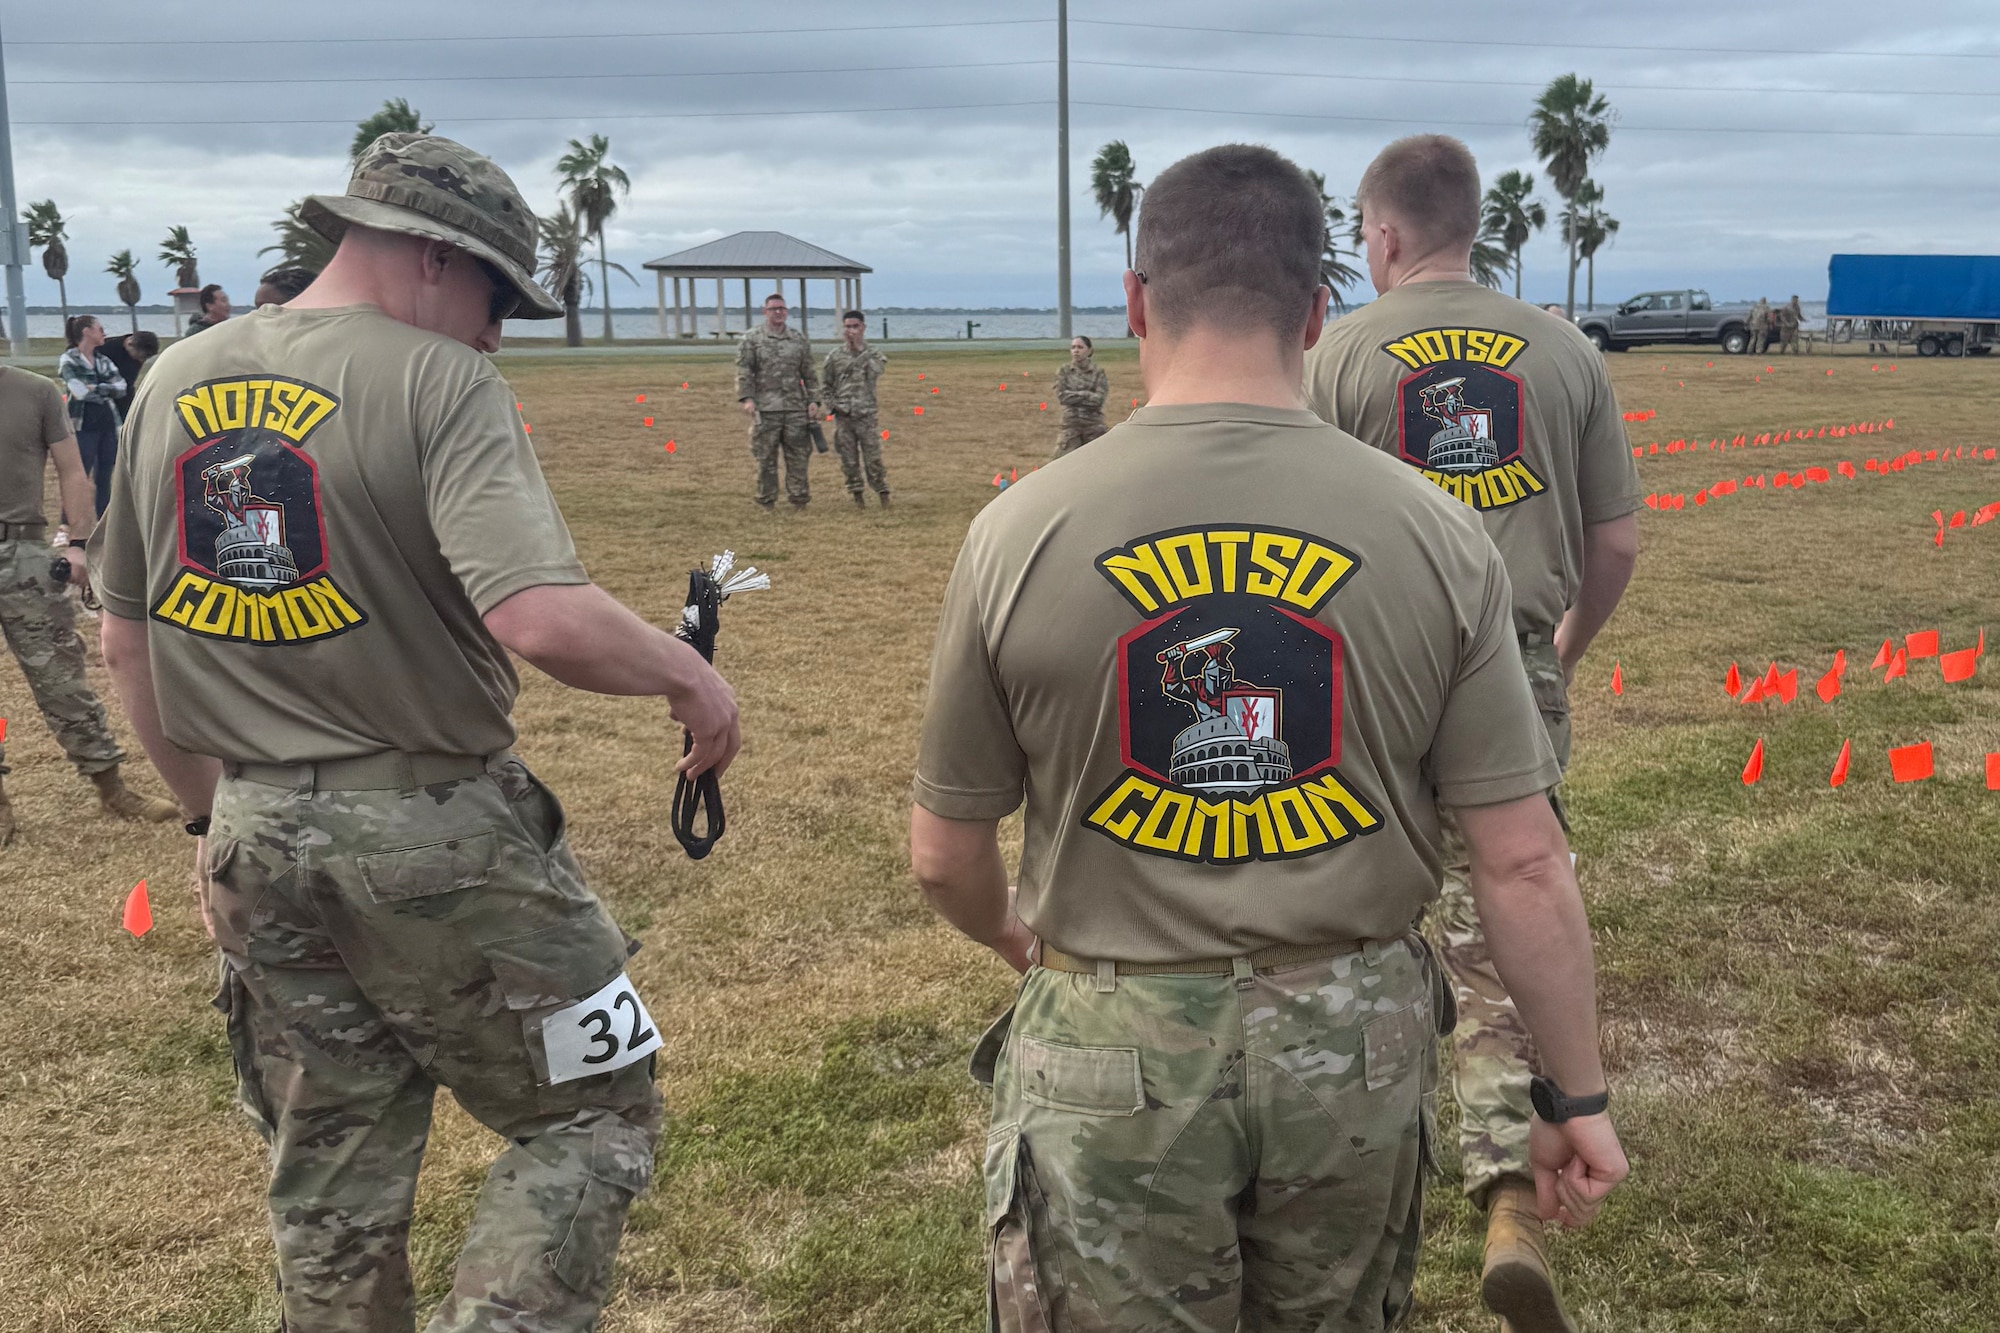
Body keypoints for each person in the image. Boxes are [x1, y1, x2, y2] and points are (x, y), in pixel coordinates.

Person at [912, 142, 1627, 1333]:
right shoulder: (1438, 533)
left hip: (1108, 1049)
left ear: (1135, 300)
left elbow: (943, 851)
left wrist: (1016, 939)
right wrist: (1573, 1091)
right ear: (1313, 309)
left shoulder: (1016, 531)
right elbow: (1518, 859)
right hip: (1349, 1047)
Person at [94, 132, 741, 1331]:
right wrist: (690, 680)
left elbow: (125, 641)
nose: (499, 331)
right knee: (594, 1107)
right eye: (497, 295)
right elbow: (538, 615)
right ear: (436, 259)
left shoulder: (171, 380)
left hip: (254, 829)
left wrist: (205, 816)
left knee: (331, 1170)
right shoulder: (442, 383)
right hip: (437, 833)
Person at [1303, 133, 1641, 1333]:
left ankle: (1340, 1168)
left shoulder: (1334, 352)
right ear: (1473, 226)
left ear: (1380, 237)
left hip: (1368, 684)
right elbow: (1612, 544)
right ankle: (1506, 1186)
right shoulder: (1563, 351)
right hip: (1512, 667)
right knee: (1500, 909)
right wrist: (1559, 655)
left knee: (1360, 921)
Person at [0, 359, 177, 844]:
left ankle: (111, 786)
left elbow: (74, 471)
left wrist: (79, 542)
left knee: (62, 678)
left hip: (23, 553)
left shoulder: (35, 391)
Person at [736, 294, 821, 509]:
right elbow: (745, 370)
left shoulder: (797, 339)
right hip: (766, 408)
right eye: (773, 309)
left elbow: (809, 372)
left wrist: (814, 401)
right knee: (765, 458)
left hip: (795, 408)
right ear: (765, 312)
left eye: (782, 308)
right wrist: (747, 398)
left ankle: (799, 499)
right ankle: (767, 500)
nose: (778, 312)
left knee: (798, 456)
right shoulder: (752, 339)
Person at [57, 315, 126, 516]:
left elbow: (121, 387)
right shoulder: (69, 359)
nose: (104, 333)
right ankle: (66, 519)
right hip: (82, 426)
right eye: (99, 328)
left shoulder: (103, 361)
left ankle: (103, 517)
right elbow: (78, 390)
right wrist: (106, 389)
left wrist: (96, 387)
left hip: (107, 425)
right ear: (86, 332)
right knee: (80, 473)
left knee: (105, 474)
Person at [820, 308, 889, 507]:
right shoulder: (834, 356)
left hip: (866, 414)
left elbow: (877, 371)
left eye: (855, 326)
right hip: (844, 416)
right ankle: (857, 495)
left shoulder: (873, 354)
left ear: (863, 328)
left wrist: (859, 350)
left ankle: (882, 492)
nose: (851, 330)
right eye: (848, 327)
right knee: (848, 459)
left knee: (873, 457)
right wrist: (833, 406)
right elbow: (826, 385)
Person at [1052, 333, 1109, 453]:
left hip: (1094, 425)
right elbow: (1062, 396)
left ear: (1089, 351)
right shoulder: (1064, 371)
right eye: (1073, 347)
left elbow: (1099, 399)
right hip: (1070, 424)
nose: (1076, 351)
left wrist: (1075, 396)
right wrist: (1087, 394)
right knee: (1062, 462)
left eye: (1080, 347)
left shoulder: (1098, 372)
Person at [100, 328, 160, 421]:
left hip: (125, 397)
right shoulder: (104, 349)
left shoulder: (139, 351)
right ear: (129, 344)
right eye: (140, 357)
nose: (141, 361)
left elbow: (129, 384)